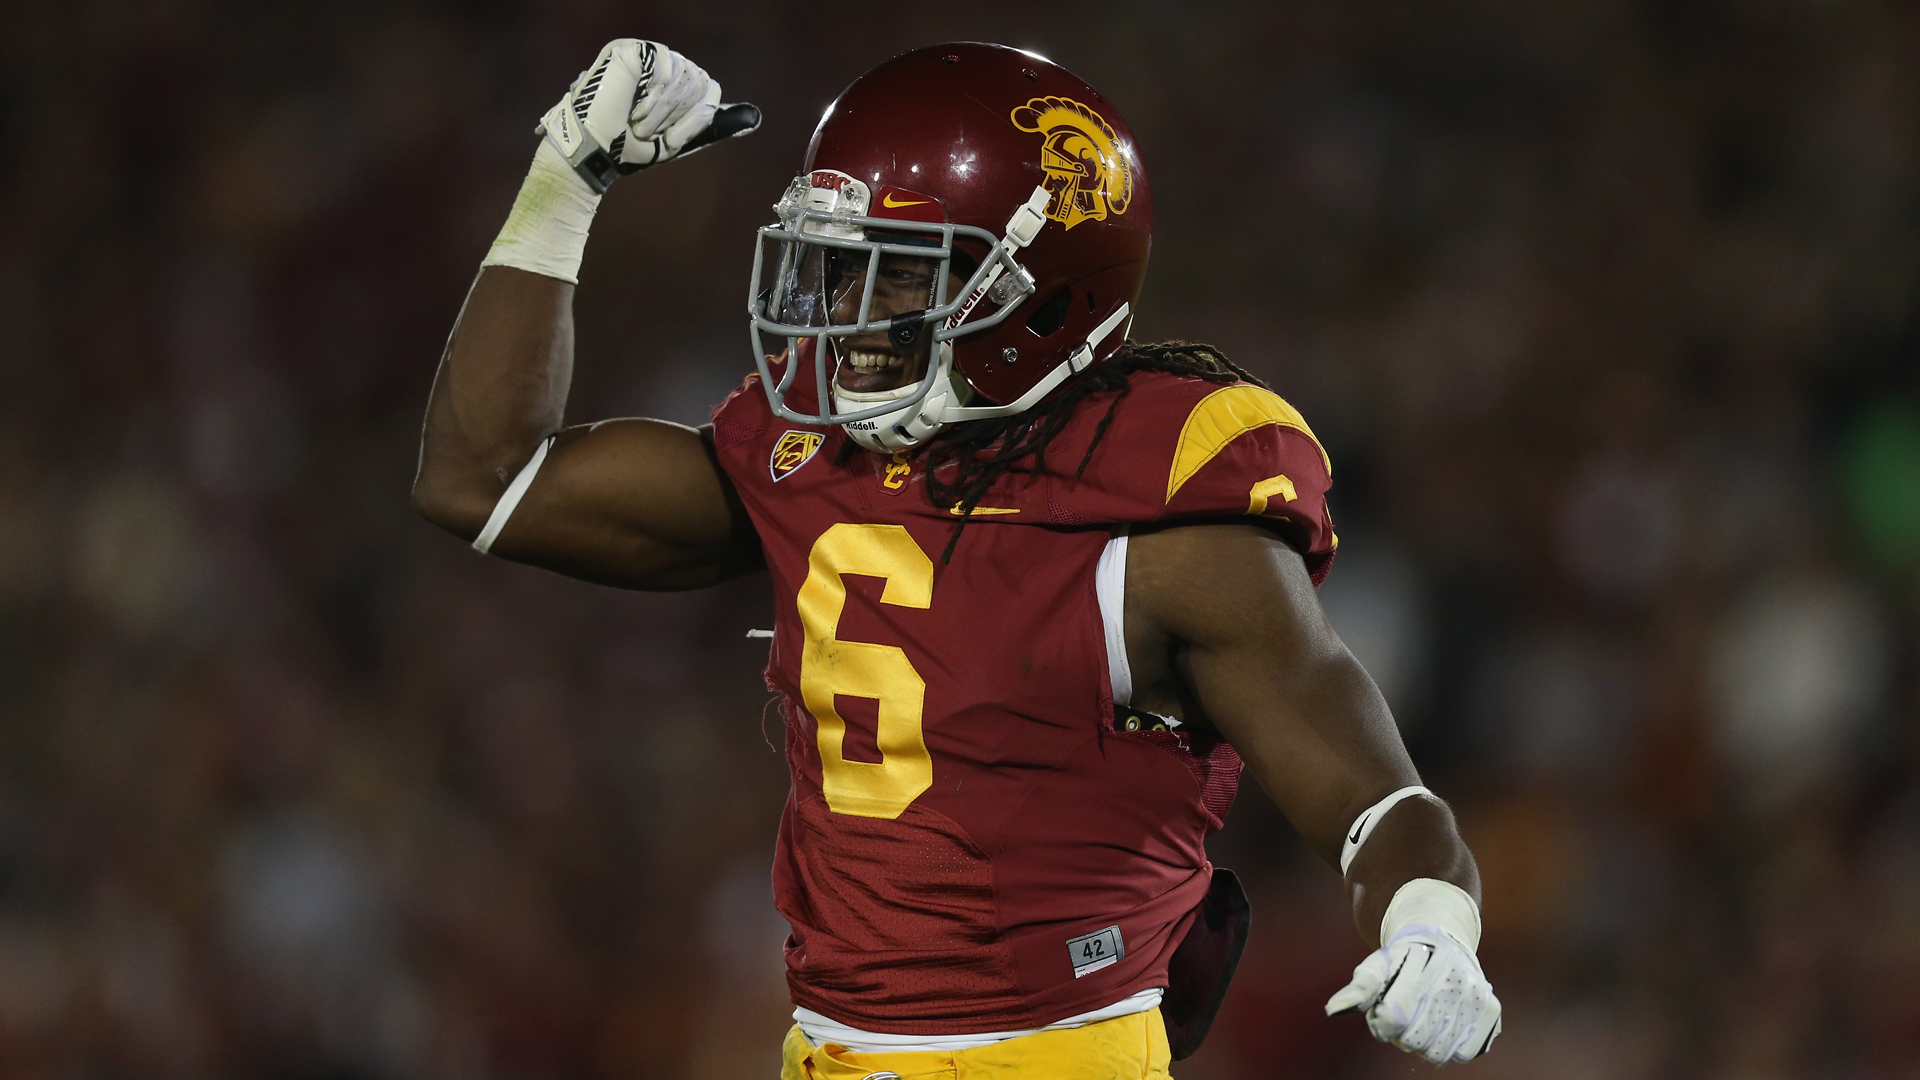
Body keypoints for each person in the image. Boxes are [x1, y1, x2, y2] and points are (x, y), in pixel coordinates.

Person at [413, 38, 1502, 1078]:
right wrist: (569, 174)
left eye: (893, 275)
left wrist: (1432, 924)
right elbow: (482, 477)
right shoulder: (809, 461)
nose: (844, 313)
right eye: (838, 269)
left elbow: (1378, 802)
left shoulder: (1163, 536)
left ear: (1039, 288)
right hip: (824, 1052)